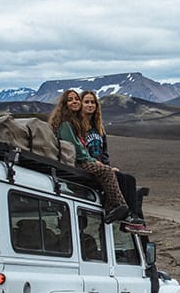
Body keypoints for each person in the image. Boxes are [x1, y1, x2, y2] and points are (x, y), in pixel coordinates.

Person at [48, 89, 129, 223]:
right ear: (64, 104)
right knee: (106, 171)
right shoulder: (65, 123)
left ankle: (111, 210)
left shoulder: (74, 122)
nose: (74, 101)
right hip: (74, 162)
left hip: (78, 160)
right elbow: (75, 147)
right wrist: (93, 161)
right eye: (70, 100)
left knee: (110, 174)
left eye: (76, 99)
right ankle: (119, 205)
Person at [78, 90, 150, 234]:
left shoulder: (99, 128)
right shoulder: (78, 125)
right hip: (88, 167)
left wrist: (107, 166)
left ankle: (131, 217)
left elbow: (104, 152)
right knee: (121, 178)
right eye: (87, 102)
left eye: (93, 102)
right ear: (81, 104)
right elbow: (79, 149)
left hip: (101, 167)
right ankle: (124, 214)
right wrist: (101, 166)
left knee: (129, 179)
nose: (90, 105)